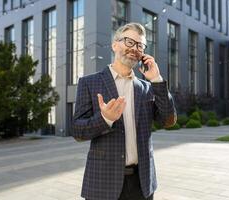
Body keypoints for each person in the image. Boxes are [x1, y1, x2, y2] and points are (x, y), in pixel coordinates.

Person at [71, 22, 177, 200]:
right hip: (103, 182)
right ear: (115, 45)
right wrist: (105, 119)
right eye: (129, 42)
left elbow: (168, 120)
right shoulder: (89, 83)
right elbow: (77, 131)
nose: (134, 48)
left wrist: (157, 80)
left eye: (140, 45)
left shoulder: (147, 87)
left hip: (141, 183)